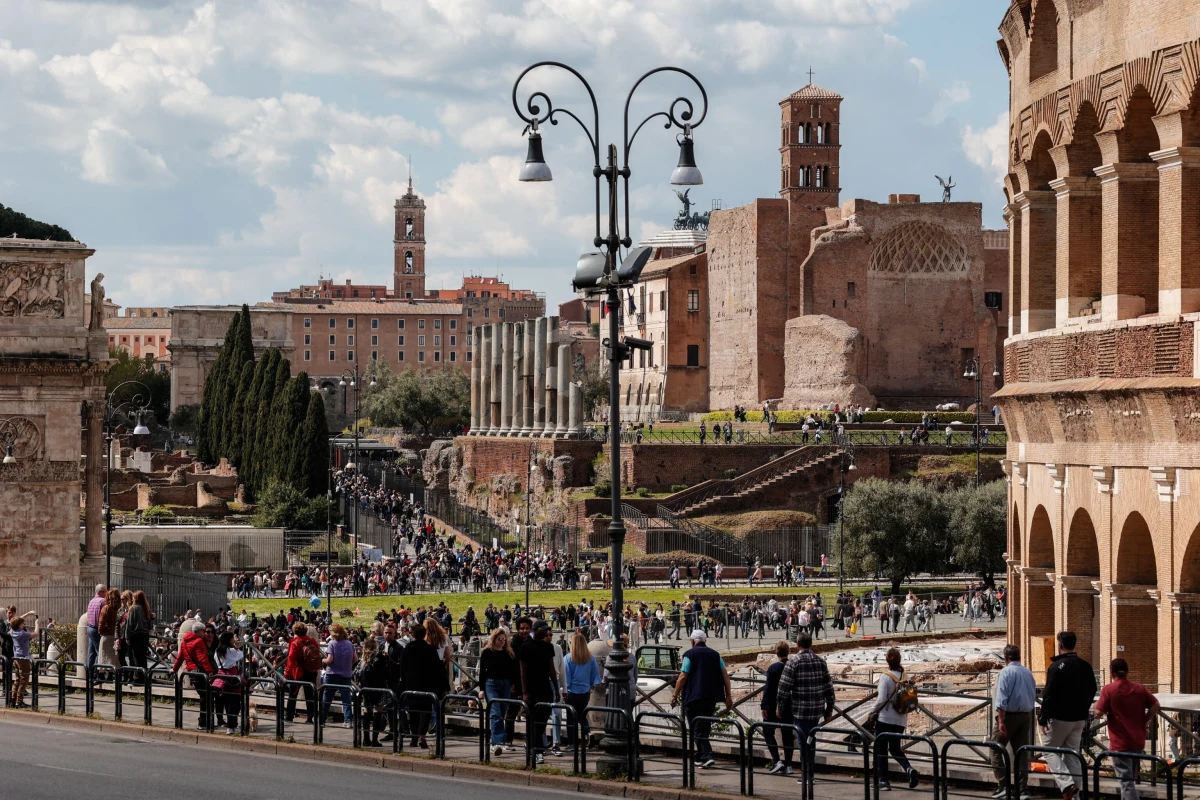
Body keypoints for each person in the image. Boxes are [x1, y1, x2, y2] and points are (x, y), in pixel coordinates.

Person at [1038, 631, 1097, 800]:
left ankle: (1066, 784)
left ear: (1060, 645)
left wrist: (1043, 717)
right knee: (1072, 753)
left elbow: (1048, 694)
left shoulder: (1056, 667)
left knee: (1048, 750)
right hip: (1079, 718)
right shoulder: (1085, 666)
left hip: (1060, 717)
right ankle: (1076, 794)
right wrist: (1084, 708)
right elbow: (1092, 689)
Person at [1095, 658, 1159, 800]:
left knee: (1126, 782)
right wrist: (1145, 719)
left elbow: (1098, 711)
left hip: (1120, 742)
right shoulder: (1139, 688)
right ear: (1127, 672)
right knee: (1129, 779)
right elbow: (1156, 705)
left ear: (1112, 672)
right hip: (1137, 741)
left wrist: (1097, 712)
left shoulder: (1109, 689)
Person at [670, 629, 733, 770]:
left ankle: (708, 756)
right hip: (711, 697)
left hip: (694, 697)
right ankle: (699, 757)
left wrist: (675, 695)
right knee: (704, 726)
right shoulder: (716, 655)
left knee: (696, 728)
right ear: (705, 641)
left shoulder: (689, 654)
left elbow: (683, 676)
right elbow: (725, 675)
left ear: (692, 641)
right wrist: (728, 696)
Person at [776, 632, 834, 782]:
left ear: (797, 645)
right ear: (811, 644)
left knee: (803, 742)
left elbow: (783, 688)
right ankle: (810, 773)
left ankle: (806, 774)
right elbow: (829, 687)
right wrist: (829, 709)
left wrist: (780, 707)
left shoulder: (793, 662)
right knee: (811, 741)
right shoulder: (820, 661)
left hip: (800, 710)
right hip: (816, 710)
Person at [991, 644, 1037, 800]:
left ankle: (1003, 785)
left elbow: (1001, 699)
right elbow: (1033, 694)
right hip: (1026, 715)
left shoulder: (1005, 673)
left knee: (995, 747)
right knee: (1021, 752)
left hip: (1009, 716)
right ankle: (1023, 789)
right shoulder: (1028, 672)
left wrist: (1001, 720)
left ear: (1006, 658)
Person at [870, 647, 919, 790]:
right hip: (901, 719)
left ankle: (884, 781)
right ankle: (908, 768)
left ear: (887, 660)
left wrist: (872, 711)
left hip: (885, 718)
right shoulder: (905, 676)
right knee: (896, 748)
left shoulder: (885, 676)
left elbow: (881, 699)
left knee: (881, 749)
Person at [401, 622, 449, 749]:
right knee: (426, 711)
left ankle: (413, 738)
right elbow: (439, 669)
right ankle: (422, 734)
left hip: (411, 684)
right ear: (424, 634)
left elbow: (402, 668)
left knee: (413, 713)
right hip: (428, 684)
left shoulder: (407, 649)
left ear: (413, 634)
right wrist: (444, 685)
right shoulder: (430, 649)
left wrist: (403, 684)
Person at [519, 621, 560, 764]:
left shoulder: (548, 647)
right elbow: (523, 671)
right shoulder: (525, 647)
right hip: (531, 689)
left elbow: (551, 669)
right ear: (535, 630)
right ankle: (537, 750)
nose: (546, 632)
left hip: (545, 688)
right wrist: (524, 692)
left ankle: (532, 746)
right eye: (543, 630)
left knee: (541, 722)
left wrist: (556, 688)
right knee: (534, 721)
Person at [478, 627, 518, 756]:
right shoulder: (487, 652)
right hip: (491, 683)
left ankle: (495, 740)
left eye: (503, 639)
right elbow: (482, 672)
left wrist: (513, 684)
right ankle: (497, 742)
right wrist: (482, 689)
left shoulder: (508, 653)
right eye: (499, 639)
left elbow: (513, 670)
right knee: (495, 712)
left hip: (505, 684)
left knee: (502, 712)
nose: (501, 642)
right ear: (493, 639)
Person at [761, 640, 796, 776]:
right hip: (789, 705)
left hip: (772, 705)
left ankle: (777, 760)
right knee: (787, 735)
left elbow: (768, 688)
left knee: (768, 732)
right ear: (788, 651)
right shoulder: (792, 666)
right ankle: (788, 764)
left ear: (776, 653)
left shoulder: (774, 668)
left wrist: (763, 705)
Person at [172, 624, 215, 730]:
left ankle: (203, 721)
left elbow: (180, 657)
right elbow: (202, 658)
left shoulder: (185, 641)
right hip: (201, 672)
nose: (205, 633)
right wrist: (210, 671)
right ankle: (203, 722)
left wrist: (174, 669)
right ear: (199, 631)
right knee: (206, 697)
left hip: (191, 672)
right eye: (203, 631)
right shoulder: (198, 641)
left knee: (203, 696)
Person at [564, 630, 601, 749]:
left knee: (571, 718)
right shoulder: (590, 658)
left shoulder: (568, 658)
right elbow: (594, 676)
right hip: (585, 692)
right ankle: (587, 732)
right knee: (581, 715)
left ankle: (572, 743)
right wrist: (590, 685)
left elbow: (567, 678)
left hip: (571, 692)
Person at [321, 622, 356, 730]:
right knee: (346, 699)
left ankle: (322, 719)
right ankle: (348, 720)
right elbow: (355, 659)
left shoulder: (332, 643)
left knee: (327, 698)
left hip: (332, 674)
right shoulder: (350, 643)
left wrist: (323, 660)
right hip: (346, 674)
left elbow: (330, 659)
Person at [285, 620, 320, 723]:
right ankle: (311, 717)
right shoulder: (312, 641)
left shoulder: (295, 643)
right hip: (311, 671)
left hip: (298, 672)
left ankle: (289, 716)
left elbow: (291, 659)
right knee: (310, 695)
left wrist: (287, 673)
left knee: (292, 695)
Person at [213, 631, 244, 735]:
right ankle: (231, 726)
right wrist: (236, 647)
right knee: (235, 704)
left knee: (227, 703)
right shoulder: (230, 651)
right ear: (229, 639)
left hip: (221, 677)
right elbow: (241, 655)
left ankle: (232, 725)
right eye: (232, 638)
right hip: (232, 677)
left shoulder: (217, 651)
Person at [9, 612, 41, 708]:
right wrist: (37, 624)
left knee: (18, 679)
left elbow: (15, 621)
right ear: (19, 625)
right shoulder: (22, 634)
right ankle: (19, 701)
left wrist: (29, 613)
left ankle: (13, 699)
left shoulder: (12, 631)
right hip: (24, 659)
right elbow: (36, 633)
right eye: (23, 623)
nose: (24, 624)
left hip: (16, 658)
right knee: (24, 680)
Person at [123, 591, 153, 671]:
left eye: (133, 597)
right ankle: (144, 676)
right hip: (145, 635)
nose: (132, 599)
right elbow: (150, 624)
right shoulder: (146, 608)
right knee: (143, 657)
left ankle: (138, 678)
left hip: (136, 635)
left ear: (136, 598)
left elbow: (129, 624)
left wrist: (127, 637)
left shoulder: (133, 608)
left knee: (136, 657)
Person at [85, 584, 105, 674]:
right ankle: (97, 673)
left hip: (90, 628)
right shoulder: (103, 601)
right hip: (97, 629)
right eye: (105, 591)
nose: (107, 593)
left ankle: (89, 673)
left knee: (91, 652)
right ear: (100, 592)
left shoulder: (91, 601)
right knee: (99, 652)